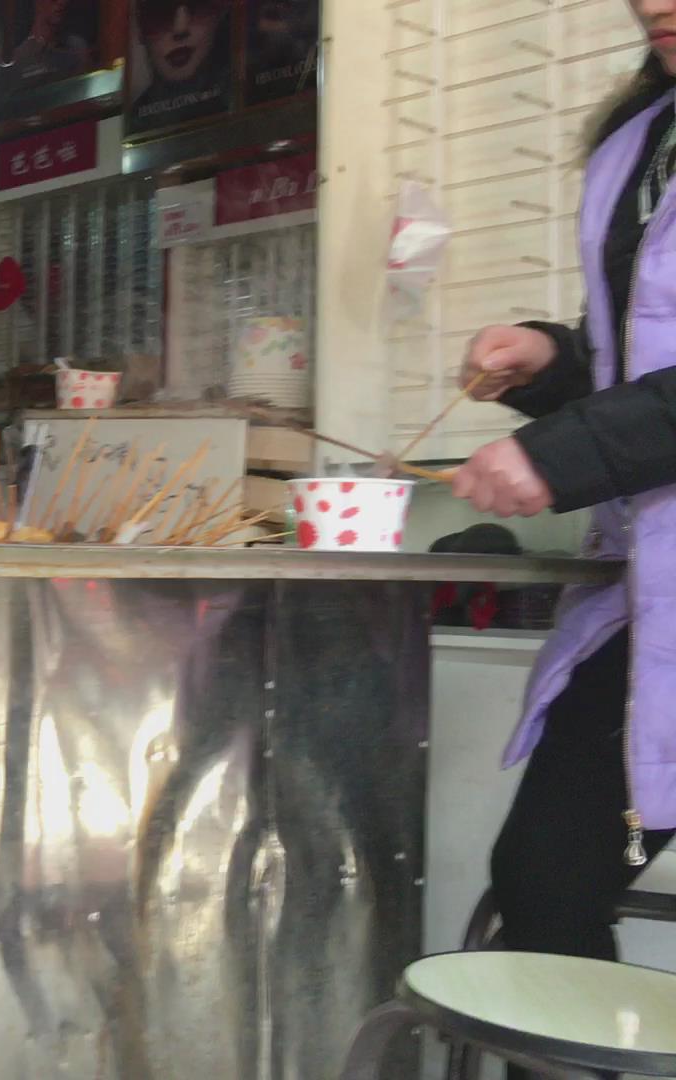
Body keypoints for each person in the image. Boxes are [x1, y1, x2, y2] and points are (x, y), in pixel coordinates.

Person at [451, 4, 676, 1076]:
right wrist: (550, 361)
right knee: (547, 880)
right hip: (650, 593)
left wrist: (568, 451)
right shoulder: (647, 133)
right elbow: (645, 357)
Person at [130, 0, 231, 133]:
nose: (180, 28)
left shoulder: (243, 97)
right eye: (159, 11)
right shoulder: (132, 123)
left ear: (220, 14)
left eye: (197, 6)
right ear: (140, 29)